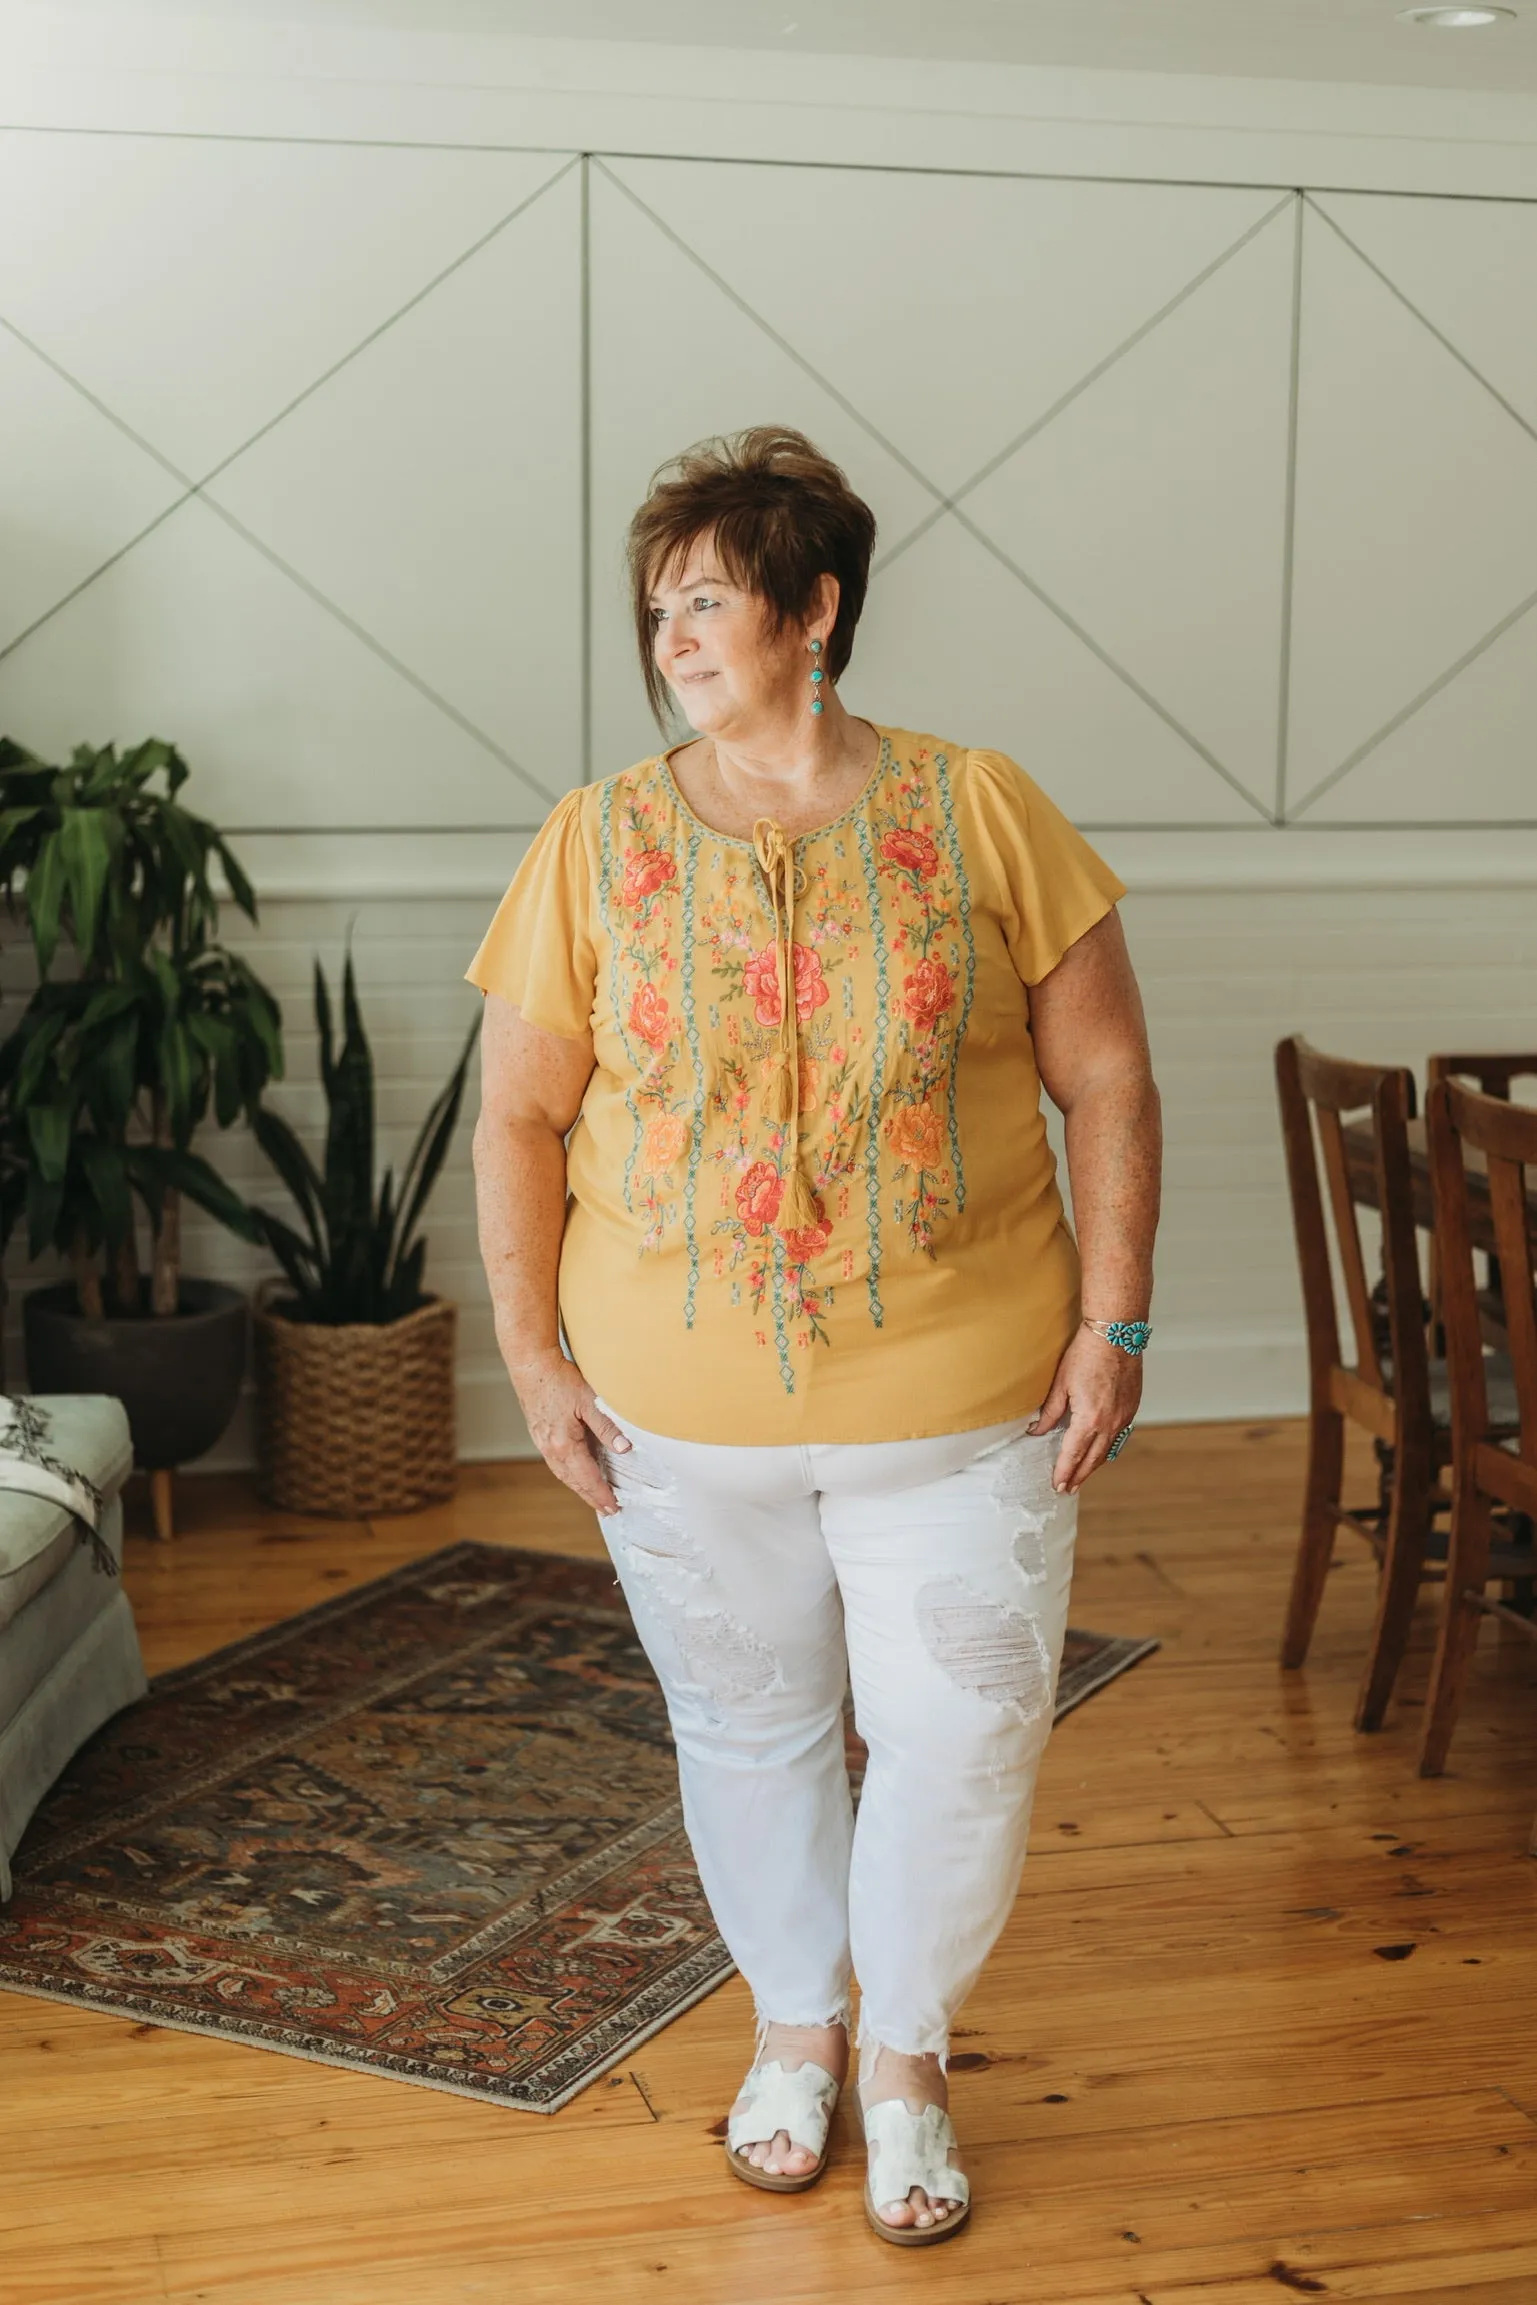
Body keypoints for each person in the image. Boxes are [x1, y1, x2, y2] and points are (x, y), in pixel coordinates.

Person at [468, 425, 1160, 2246]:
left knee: (971, 1725)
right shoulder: (591, 840)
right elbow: (519, 1123)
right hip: (673, 1422)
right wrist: (534, 1363)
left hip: (967, 1399)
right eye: (656, 609)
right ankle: (795, 2030)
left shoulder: (979, 807)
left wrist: (1118, 1320)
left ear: (817, 606)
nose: (673, 635)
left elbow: (1106, 1078)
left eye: (709, 596)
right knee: (750, 1731)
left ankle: (907, 2053)